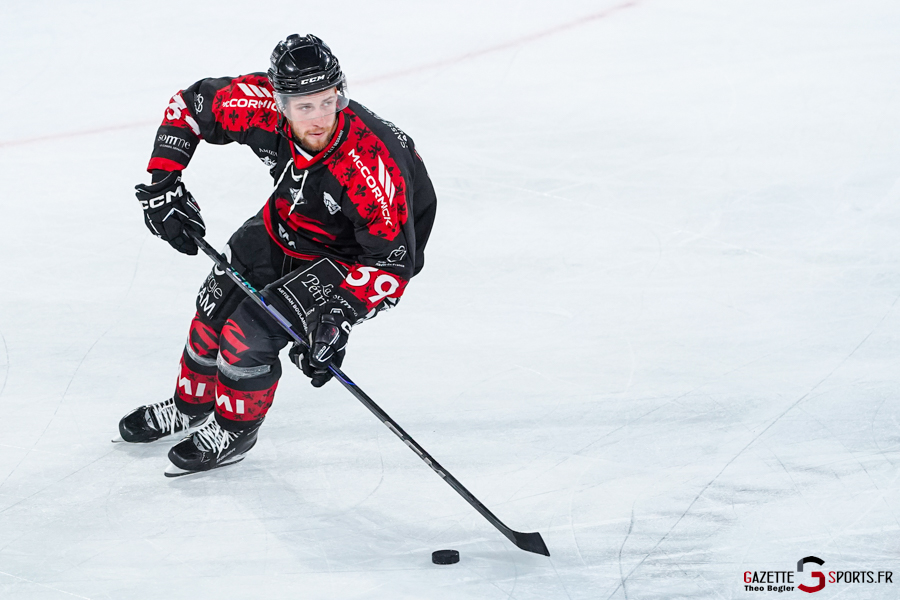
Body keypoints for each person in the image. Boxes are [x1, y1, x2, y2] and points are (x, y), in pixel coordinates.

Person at [116, 34, 438, 476]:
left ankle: (234, 431)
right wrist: (162, 185)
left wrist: (338, 314)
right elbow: (188, 107)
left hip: (346, 258)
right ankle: (189, 406)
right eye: (305, 106)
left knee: (247, 335)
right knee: (212, 310)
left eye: (329, 101)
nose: (321, 117)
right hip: (285, 221)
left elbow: (392, 262)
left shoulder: (368, 165)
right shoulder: (259, 105)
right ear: (280, 102)